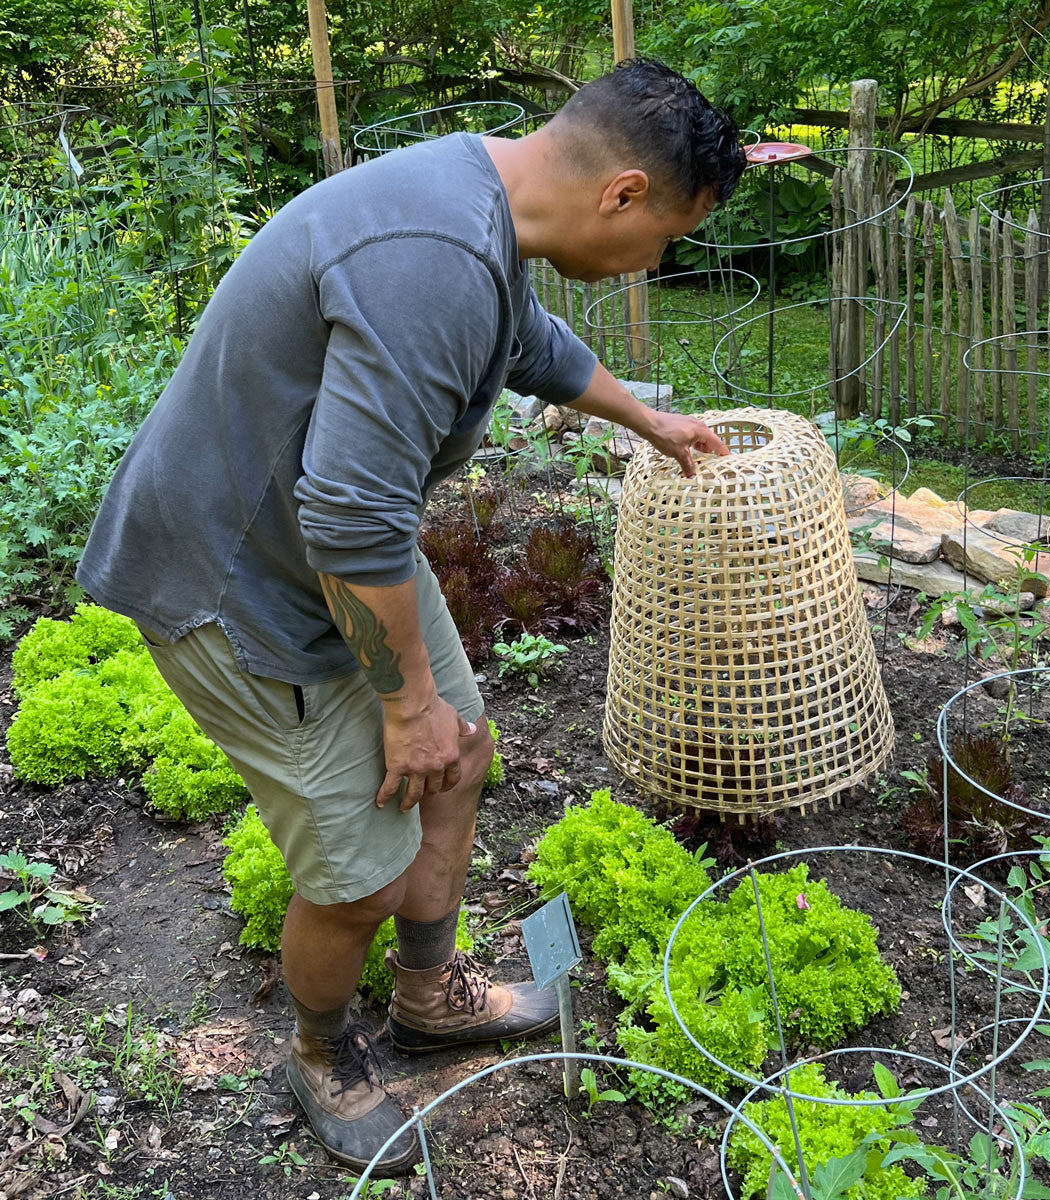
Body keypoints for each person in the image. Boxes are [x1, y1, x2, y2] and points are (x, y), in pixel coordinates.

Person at [78, 58, 747, 1173]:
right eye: (669, 237)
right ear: (623, 193)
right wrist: (404, 703)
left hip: (320, 552)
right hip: (233, 578)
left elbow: (524, 341)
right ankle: (322, 1052)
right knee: (360, 874)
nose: (657, 262)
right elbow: (347, 514)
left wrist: (648, 421)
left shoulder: (477, 201)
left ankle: (432, 995)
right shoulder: (433, 257)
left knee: (462, 751)